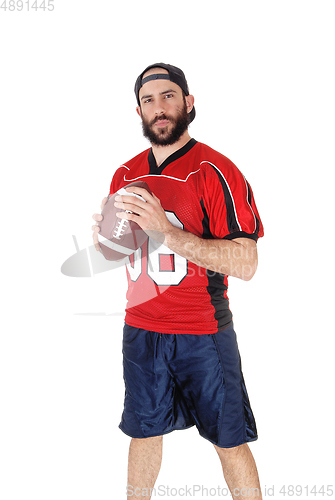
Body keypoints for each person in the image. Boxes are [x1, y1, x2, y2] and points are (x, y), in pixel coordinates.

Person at [92, 63, 264, 499]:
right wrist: (106, 240)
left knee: (229, 441)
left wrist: (166, 232)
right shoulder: (125, 173)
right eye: (149, 100)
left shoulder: (215, 170)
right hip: (142, 329)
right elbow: (118, 253)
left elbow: (246, 263)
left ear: (189, 103)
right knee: (142, 432)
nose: (159, 108)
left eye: (168, 96)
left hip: (202, 333)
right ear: (139, 112)